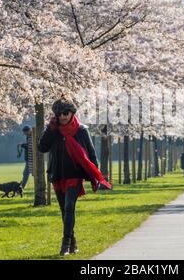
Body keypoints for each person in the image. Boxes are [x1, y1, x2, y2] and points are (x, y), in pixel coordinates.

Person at [38, 97, 112, 256]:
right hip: (57, 174)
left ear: (72, 113)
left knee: (69, 206)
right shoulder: (54, 130)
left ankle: (65, 244)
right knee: (63, 210)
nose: (63, 116)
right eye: (59, 114)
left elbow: (91, 154)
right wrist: (50, 130)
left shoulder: (82, 130)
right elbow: (42, 147)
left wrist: (95, 176)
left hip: (75, 175)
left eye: (66, 113)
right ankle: (73, 242)